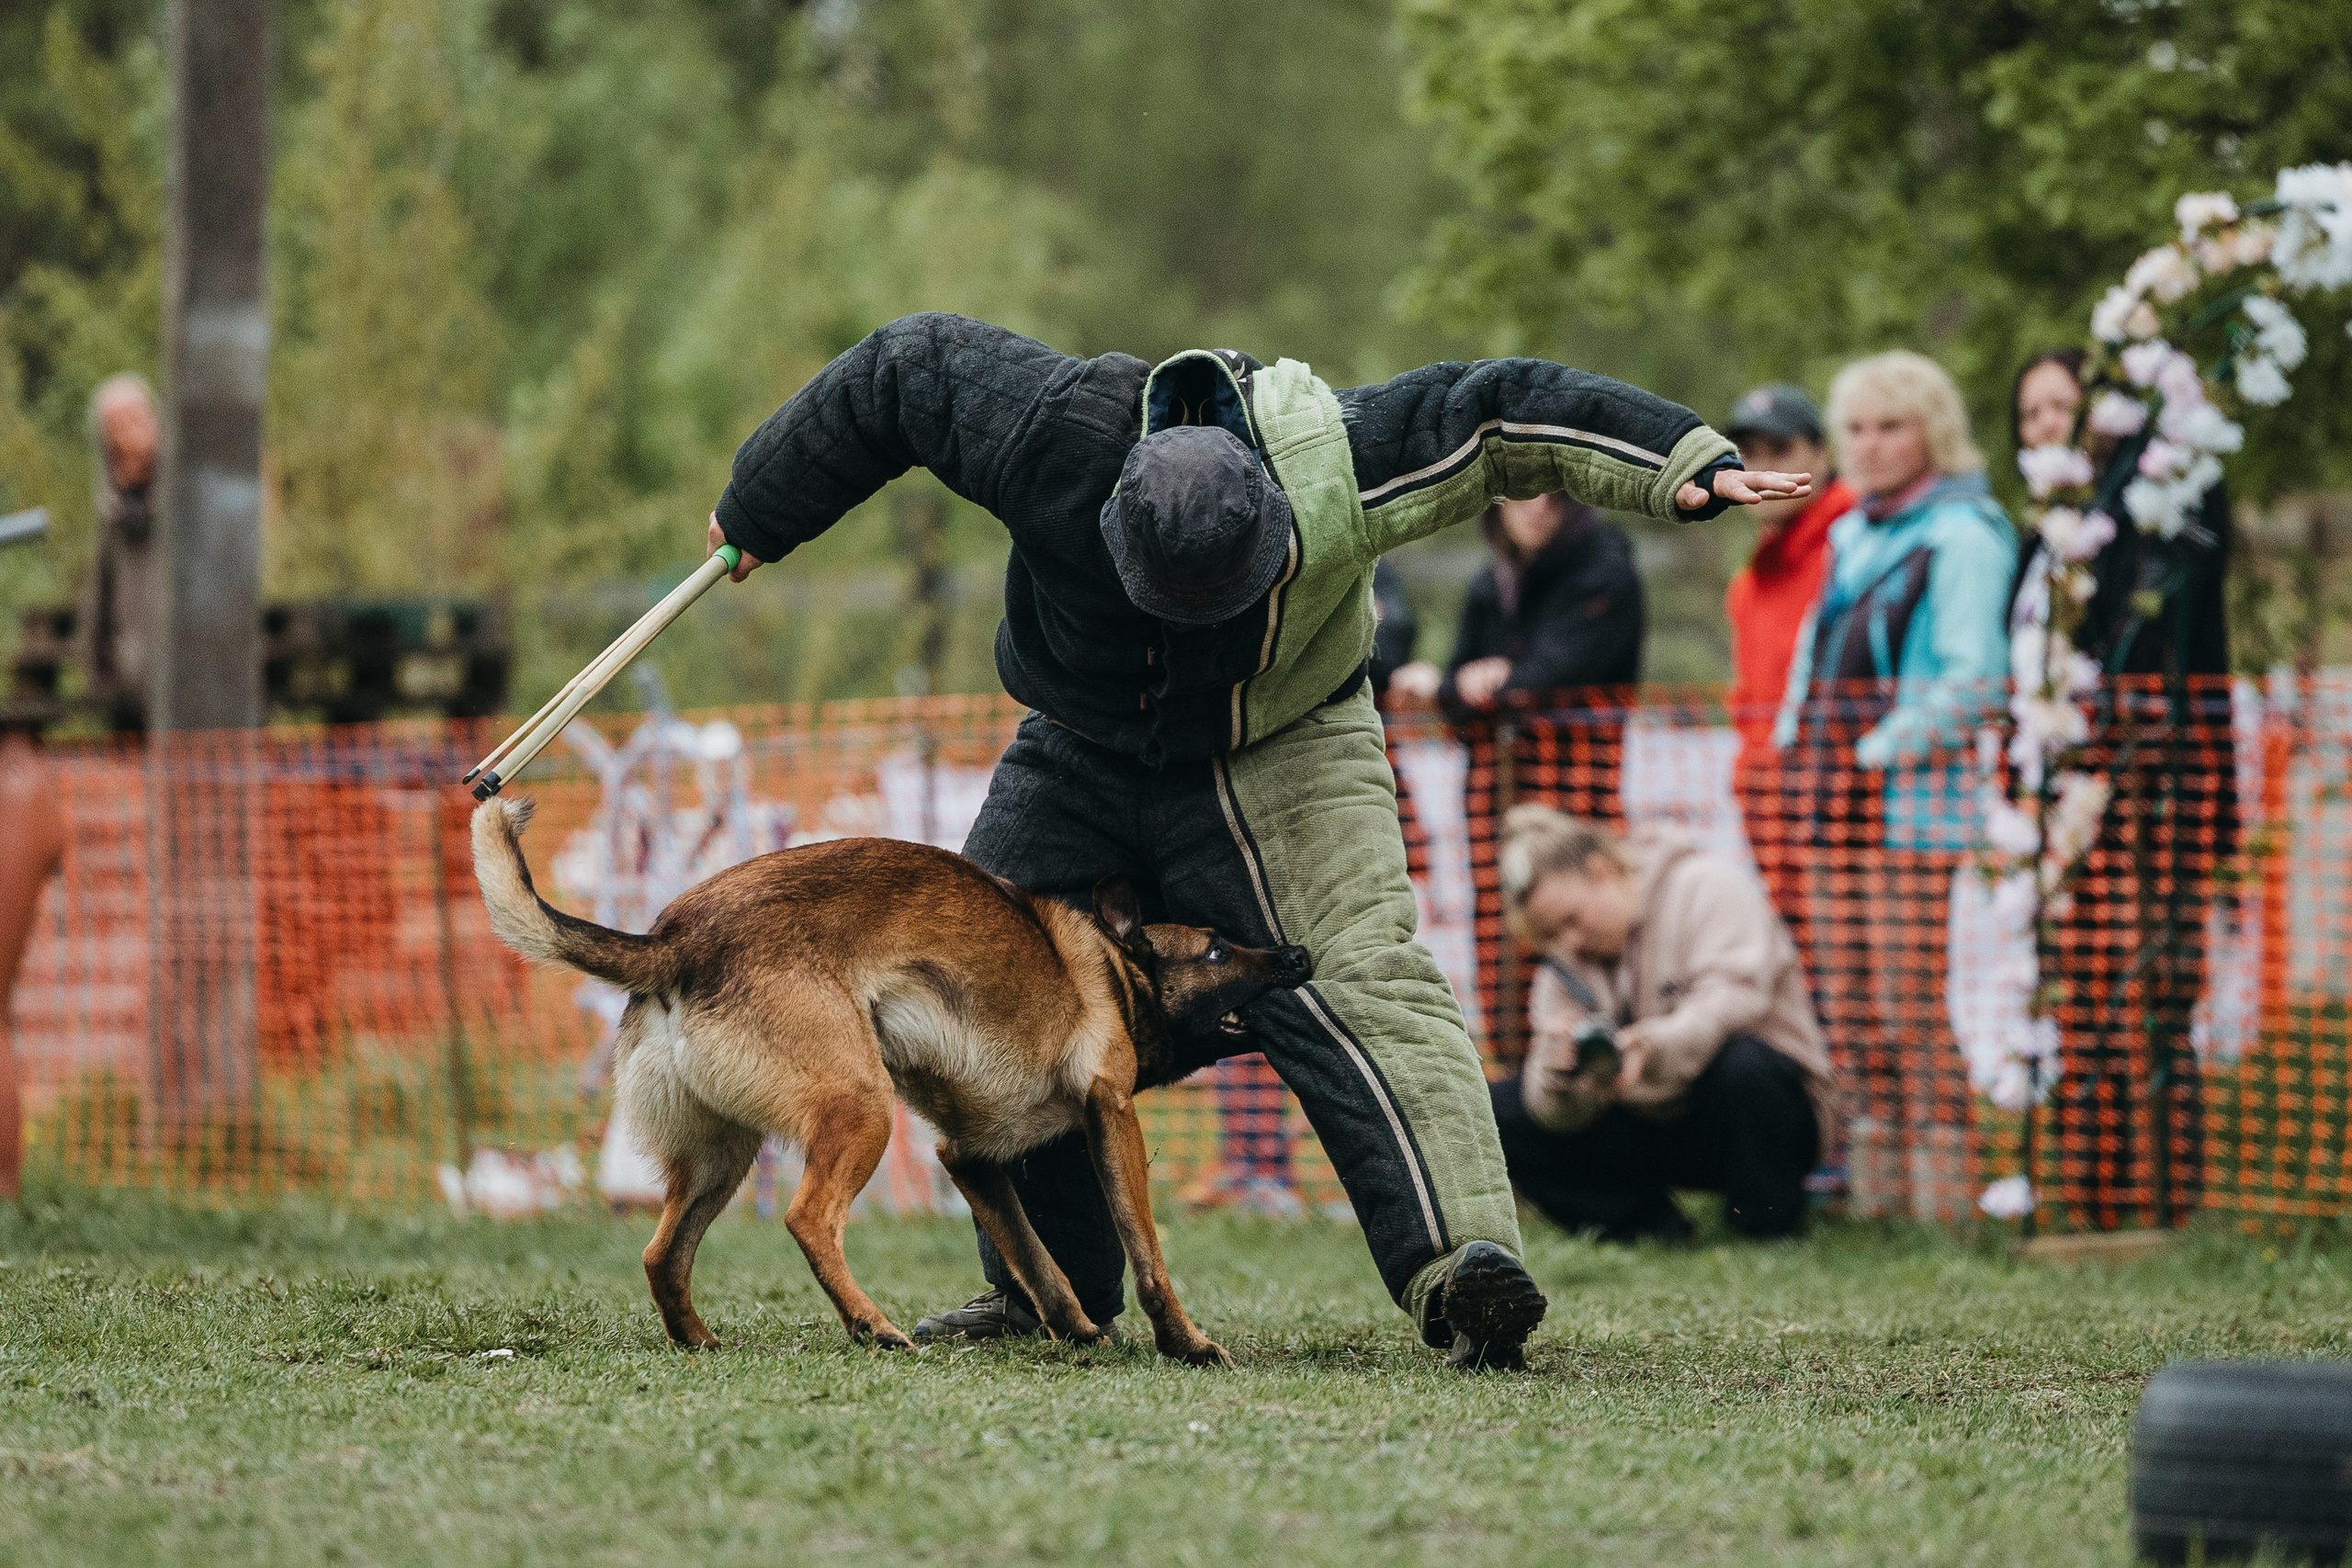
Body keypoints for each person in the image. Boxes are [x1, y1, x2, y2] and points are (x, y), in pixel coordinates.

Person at [707, 312, 1809, 1367]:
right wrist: (763, 504)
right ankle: (1052, 1290)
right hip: (1081, 743)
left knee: (1363, 978)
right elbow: (904, 366)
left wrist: (1680, 459)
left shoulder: (1340, 463)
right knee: (1003, 981)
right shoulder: (1047, 433)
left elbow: (1504, 412)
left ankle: (1462, 1266)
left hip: (1286, 742)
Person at [1772, 350, 2015, 1222]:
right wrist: (1793, 739)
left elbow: (1977, 680)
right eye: (1858, 429)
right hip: (1831, 800)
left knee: (1910, 1003)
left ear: (1932, 431)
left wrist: (1878, 749)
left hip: (1909, 806)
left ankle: (1944, 1209)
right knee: (1850, 1004)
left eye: (1892, 425)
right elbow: (1813, 654)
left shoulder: (1966, 533)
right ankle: (1878, 1206)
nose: (1871, 447)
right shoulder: (1852, 532)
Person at [2010, 348, 2233, 1229]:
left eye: (2062, 406)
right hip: (2058, 800)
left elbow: (2164, 622)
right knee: (2080, 1003)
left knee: (2153, 995)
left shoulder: (2165, 505)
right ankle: (2090, 1201)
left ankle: (2163, 1204)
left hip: (2152, 787)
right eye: (2029, 414)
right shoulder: (2041, 536)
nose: (2048, 426)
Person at [1486, 806, 1833, 1241]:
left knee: (1746, 1067)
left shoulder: (1707, 886)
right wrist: (1557, 1076)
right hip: (1651, 1122)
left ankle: (1765, 1225)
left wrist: (1651, 1048)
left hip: (1753, 1115)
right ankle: (1647, 1227)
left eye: (1571, 919)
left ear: (1602, 870)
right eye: (1551, 935)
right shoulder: (1563, 968)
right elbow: (1552, 1115)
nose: (1568, 943)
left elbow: (1731, 998)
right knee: (1497, 1109)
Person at [1720, 385, 1852, 918]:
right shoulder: (1749, 583)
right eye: (1748, 454)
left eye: (1779, 452)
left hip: (1837, 815)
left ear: (1821, 454)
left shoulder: (1854, 546)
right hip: (1774, 823)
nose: (1761, 469)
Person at [1386, 494, 1642, 711]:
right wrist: (1453, 687)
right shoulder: (1490, 581)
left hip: (1578, 763)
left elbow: (1552, 681)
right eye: (1522, 491)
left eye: (1554, 494)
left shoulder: (1604, 573)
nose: (1538, 506)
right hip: (1493, 763)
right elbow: (1461, 700)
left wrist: (1449, 687)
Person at [77, 374, 161, 733]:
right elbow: (98, 602)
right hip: (132, 695)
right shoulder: (114, 518)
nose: (126, 440)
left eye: (133, 422)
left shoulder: (184, 503)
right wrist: (98, 677)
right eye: (114, 430)